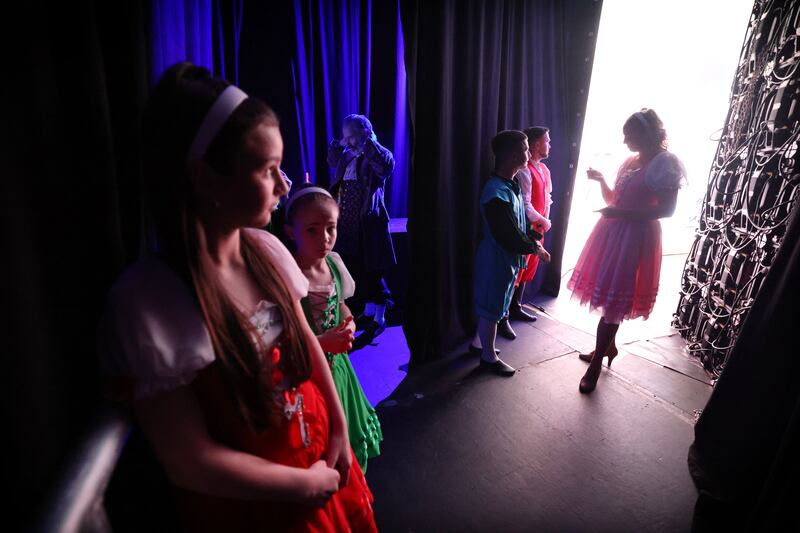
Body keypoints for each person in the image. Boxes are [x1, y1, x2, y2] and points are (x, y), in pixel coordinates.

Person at [98, 62, 377, 531]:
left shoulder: (267, 251)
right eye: (268, 170)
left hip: (314, 451)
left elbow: (306, 344)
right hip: (260, 498)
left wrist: (339, 427)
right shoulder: (151, 301)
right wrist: (302, 485)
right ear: (207, 178)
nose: (284, 185)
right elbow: (190, 459)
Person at [568, 108, 686, 393]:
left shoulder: (665, 164)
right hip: (614, 233)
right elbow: (615, 199)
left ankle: (596, 364)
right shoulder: (630, 162)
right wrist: (601, 182)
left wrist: (621, 214)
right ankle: (608, 348)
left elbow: (667, 210)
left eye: (629, 135)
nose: (624, 141)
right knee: (611, 295)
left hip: (636, 237)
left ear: (647, 135)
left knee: (613, 302)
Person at [283, 183, 383, 472]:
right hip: (308, 371)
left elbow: (340, 303)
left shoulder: (334, 264)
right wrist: (323, 342)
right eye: (312, 230)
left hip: (339, 368)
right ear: (291, 232)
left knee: (347, 426)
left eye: (331, 228)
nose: (325, 238)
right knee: (320, 439)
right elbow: (286, 337)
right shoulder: (288, 275)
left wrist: (348, 320)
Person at [472, 130, 551, 376]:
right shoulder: (496, 191)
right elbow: (507, 235)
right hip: (496, 260)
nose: (529, 153)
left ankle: (479, 343)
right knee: (492, 307)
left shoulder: (511, 185)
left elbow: (519, 224)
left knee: (495, 305)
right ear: (513, 155)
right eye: (526, 149)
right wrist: (535, 248)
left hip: (505, 260)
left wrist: (533, 237)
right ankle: (488, 357)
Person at [327, 114, 396, 340]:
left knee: (373, 271)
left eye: (352, 136)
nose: (348, 141)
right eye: (346, 136)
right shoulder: (347, 155)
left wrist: (367, 144)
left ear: (365, 133)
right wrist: (340, 145)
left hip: (368, 224)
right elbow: (332, 162)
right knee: (356, 269)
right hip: (347, 223)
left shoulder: (379, 154)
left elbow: (383, 167)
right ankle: (368, 312)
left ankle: (380, 318)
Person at [505, 126, 554, 327]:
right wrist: (542, 221)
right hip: (526, 228)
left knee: (528, 269)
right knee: (517, 270)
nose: (549, 145)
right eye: (547, 141)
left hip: (538, 228)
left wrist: (544, 221)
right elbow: (526, 204)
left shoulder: (545, 170)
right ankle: (504, 315)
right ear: (536, 144)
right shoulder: (525, 171)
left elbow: (547, 198)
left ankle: (516, 306)